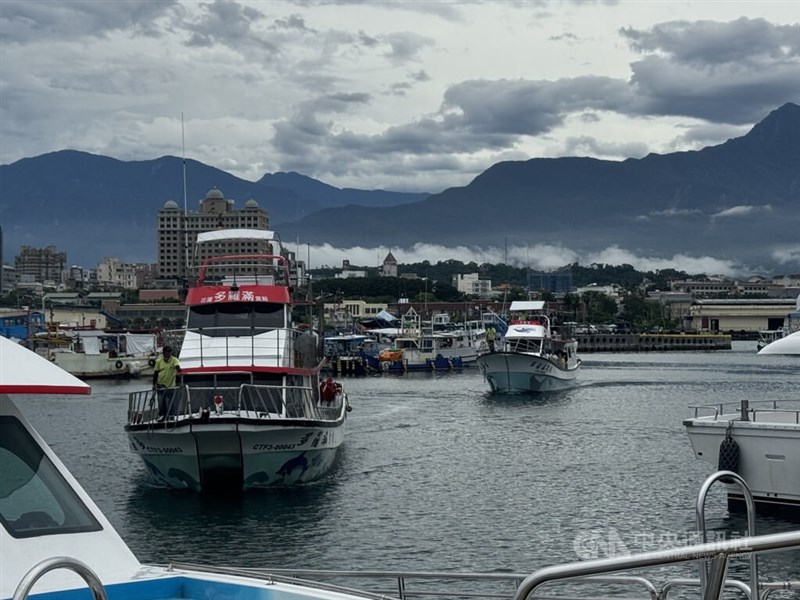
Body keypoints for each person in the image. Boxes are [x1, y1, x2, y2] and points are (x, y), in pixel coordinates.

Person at [153, 345, 181, 420]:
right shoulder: (159, 361)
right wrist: (154, 384)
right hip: (160, 385)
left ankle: (171, 416)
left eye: (170, 351)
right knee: (161, 402)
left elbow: (177, 366)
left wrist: (179, 370)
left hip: (170, 385)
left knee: (170, 401)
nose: (170, 353)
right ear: (164, 352)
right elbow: (155, 373)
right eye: (168, 351)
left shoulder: (174, 360)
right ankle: (162, 416)